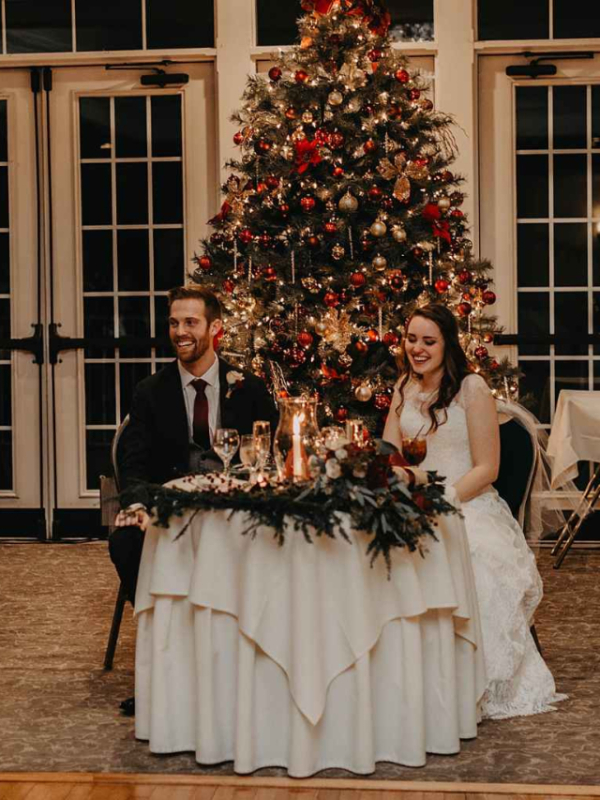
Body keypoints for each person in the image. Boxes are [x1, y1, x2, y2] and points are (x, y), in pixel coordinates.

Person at [382, 303, 566, 719]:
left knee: (472, 561)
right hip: (414, 499)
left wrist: (440, 501)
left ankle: (463, 685)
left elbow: (487, 469)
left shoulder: (473, 389)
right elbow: (390, 454)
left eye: (428, 341)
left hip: (465, 501)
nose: (417, 348)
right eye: (412, 339)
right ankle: (398, 680)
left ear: (447, 343)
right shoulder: (402, 388)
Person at [109, 284, 279, 607]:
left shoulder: (249, 389)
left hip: (235, 507)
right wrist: (136, 505)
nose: (179, 332)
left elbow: (268, 455)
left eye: (190, 323)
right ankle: (161, 627)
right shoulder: (150, 392)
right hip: (170, 506)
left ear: (215, 328)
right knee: (125, 541)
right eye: (174, 323)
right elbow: (134, 462)